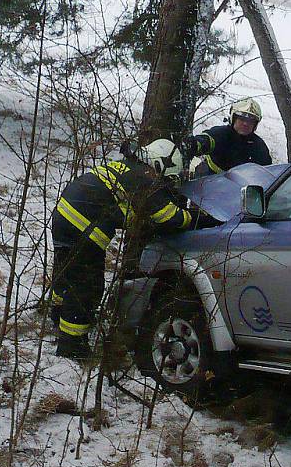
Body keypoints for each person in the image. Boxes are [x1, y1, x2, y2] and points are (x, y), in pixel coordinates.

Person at [51, 138, 193, 362]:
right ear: (158, 165)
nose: (165, 183)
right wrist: (193, 218)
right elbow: (168, 216)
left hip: (64, 215)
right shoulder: (145, 177)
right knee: (87, 286)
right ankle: (71, 345)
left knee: (67, 273)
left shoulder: (129, 166)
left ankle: (58, 314)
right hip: (84, 226)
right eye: (166, 178)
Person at [184, 98, 272, 176]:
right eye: (242, 119)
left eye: (251, 121)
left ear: (255, 124)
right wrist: (194, 144)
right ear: (233, 119)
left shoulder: (259, 146)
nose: (245, 124)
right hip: (209, 181)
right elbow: (206, 140)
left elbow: (268, 173)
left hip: (242, 190)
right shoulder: (221, 133)